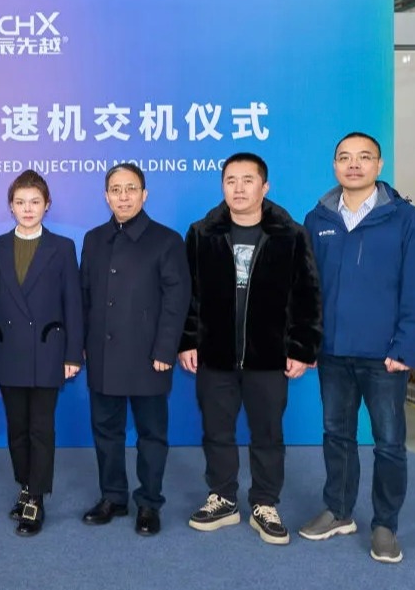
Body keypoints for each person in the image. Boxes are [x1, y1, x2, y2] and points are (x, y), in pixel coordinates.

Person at [300, 132, 415, 564]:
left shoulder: (408, 220)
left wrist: (405, 348)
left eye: (363, 157)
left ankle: (385, 525)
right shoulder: (317, 219)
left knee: (388, 443)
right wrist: (308, 342)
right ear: (334, 166)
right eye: (344, 157)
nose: (353, 165)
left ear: (379, 165)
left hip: (385, 357)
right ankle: (339, 510)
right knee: (336, 435)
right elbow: (306, 289)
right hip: (333, 353)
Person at [179, 152, 322, 545]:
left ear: (265, 186)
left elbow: (307, 295)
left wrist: (302, 348)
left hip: (268, 357)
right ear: (222, 186)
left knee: (268, 434)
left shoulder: (290, 235)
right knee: (216, 431)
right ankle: (223, 497)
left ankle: (264, 502)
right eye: (231, 181)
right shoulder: (201, 234)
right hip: (215, 355)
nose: (238, 189)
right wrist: (188, 341)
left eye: (247, 180)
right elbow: (188, 294)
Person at [80, 162, 188, 537]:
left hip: (149, 356)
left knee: (151, 434)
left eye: (130, 189)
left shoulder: (166, 240)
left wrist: (165, 350)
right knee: (106, 430)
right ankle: (113, 497)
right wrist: (83, 345)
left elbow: (177, 300)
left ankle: (149, 502)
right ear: (106, 196)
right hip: (103, 353)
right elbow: (84, 296)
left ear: (144, 194)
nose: (123, 197)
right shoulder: (94, 239)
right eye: (115, 190)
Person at [0, 170, 83, 537]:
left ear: (47, 205)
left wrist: (72, 355)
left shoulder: (62, 247)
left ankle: (36, 498)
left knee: (41, 427)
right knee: (17, 428)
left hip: (47, 349)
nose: (28, 209)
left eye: (35, 202)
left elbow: (73, 304)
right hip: (9, 349)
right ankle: (25, 484)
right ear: (10, 206)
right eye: (21, 202)